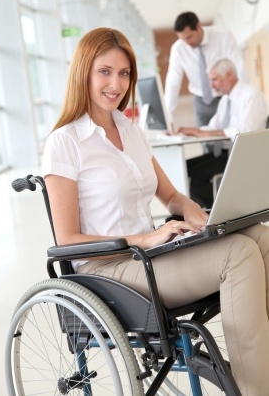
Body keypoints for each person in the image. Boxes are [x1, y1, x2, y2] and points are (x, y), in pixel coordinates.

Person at [42, 27, 269, 396]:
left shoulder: (130, 130)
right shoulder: (64, 142)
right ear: (83, 71)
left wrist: (198, 216)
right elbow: (67, 239)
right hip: (109, 269)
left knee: (260, 235)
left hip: (150, 255)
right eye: (105, 71)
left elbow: (172, 197)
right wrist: (145, 238)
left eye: (124, 73)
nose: (116, 83)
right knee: (238, 255)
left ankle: (262, 365)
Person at [178, 58, 268, 209]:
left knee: (198, 176)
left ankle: (211, 218)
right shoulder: (226, 99)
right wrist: (194, 132)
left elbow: (245, 133)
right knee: (185, 167)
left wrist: (207, 133)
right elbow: (214, 126)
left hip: (243, 155)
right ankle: (202, 213)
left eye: (215, 79)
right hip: (227, 152)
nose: (211, 85)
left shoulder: (250, 96)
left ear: (230, 75)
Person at [164, 11, 249, 127]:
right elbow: (173, 81)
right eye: (183, 39)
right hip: (200, 100)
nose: (187, 43)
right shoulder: (178, 49)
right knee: (205, 139)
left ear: (199, 27)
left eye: (189, 37)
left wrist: (243, 97)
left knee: (230, 137)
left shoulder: (223, 36)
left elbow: (239, 66)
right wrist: (168, 115)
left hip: (225, 96)